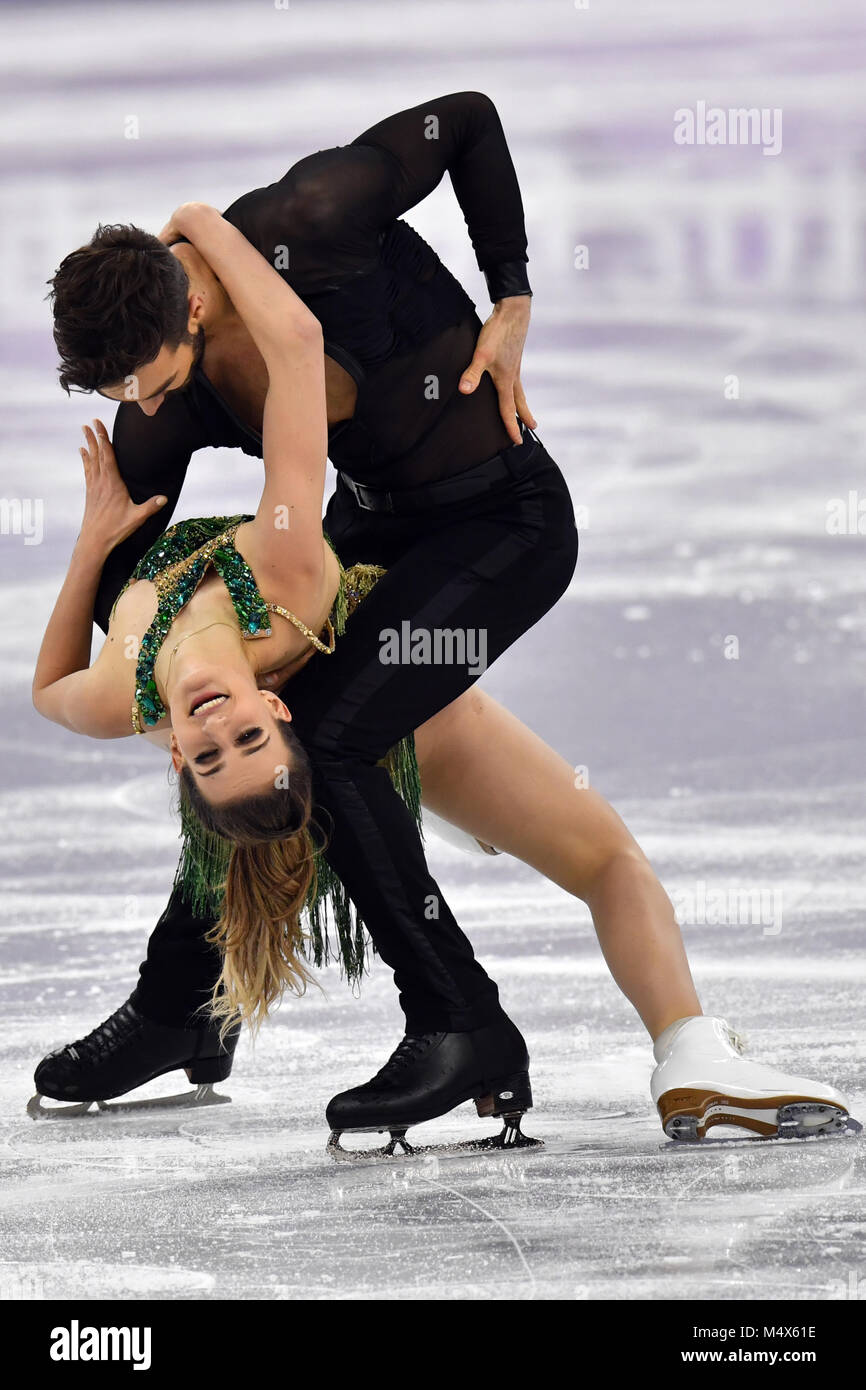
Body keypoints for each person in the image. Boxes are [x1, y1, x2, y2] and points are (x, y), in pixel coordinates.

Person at [34, 95, 849, 1143]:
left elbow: (466, 120)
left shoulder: (309, 220)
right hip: (370, 539)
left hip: (500, 524)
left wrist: (510, 296)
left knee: (317, 733)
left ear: (187, 309)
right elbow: (129, 553)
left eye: (144, 385)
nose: (142, 410)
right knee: (245, 735)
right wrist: (171, 656)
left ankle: (456, 1020)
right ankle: (188, 1002)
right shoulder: (167, 381)